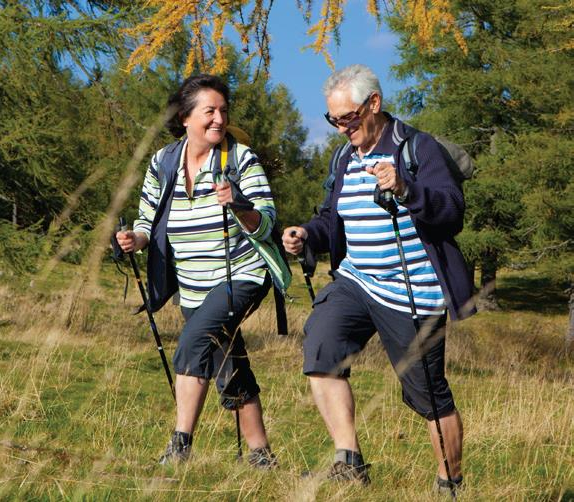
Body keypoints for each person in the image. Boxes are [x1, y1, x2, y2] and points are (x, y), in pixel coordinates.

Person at [282, 65, 474, 492]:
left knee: (427, 393)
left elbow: (452, 211)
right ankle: (348, 461)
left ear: (374, 104)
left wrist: (407, 190)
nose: (340, 128)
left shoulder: (416, 148)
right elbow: (331, 216)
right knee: (321, 346)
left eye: (347, 118)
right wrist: (306, 234)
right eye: (333, 120)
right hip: (357, 281)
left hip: (412, 289)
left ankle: (451, 483)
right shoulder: (344, 157)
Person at [116, 74, 279, 469]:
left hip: (241, 276)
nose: (219, 119)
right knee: (228, 363)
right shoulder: (163, 161)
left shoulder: (241, 159)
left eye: (223, 111)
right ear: (186, 117)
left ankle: (180, 445)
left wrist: (239, 205)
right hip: (191, 286)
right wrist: (134, 240)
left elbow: (268, 222)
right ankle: (261, 456)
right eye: (210, 111)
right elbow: (147, 218)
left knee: (194, 341)